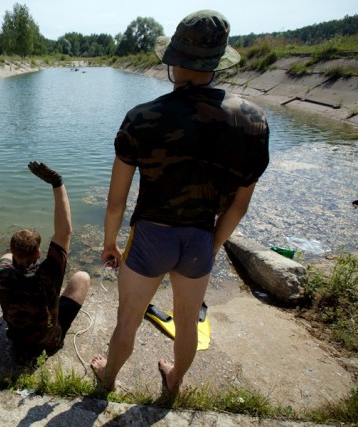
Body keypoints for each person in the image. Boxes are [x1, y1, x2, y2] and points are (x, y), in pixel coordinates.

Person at [90, 9, 270, 396]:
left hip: (151, 236)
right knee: (187, 324)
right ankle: (174, 381)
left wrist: (110, 244)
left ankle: (108, 379)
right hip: (201, 238)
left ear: (172, 62)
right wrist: (212, 245)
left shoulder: (143, 117)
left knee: (128, 320)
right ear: (218, 63)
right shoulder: (253, 121)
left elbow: (116, 202)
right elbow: (239, 205)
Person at [0, 161, 90, 364]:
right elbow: (64, 232)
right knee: (82, 277)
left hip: (18, 341)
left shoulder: (0, 273)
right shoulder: (48, 274)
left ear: (12, 251)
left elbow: (7, 257)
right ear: (38, 252)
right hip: (48, 343)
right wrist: (57, 182)